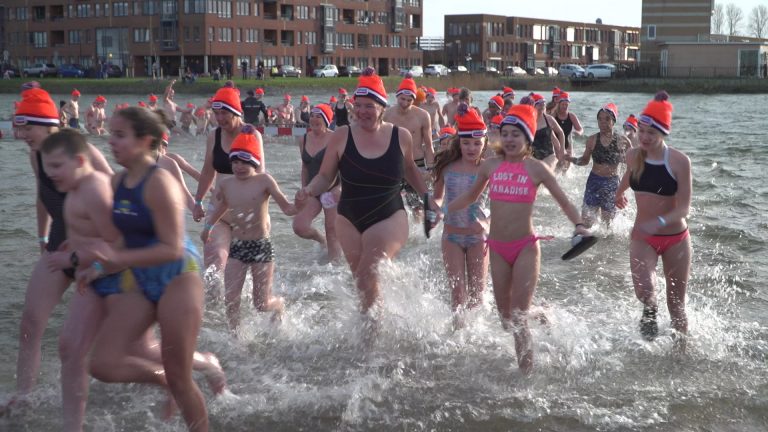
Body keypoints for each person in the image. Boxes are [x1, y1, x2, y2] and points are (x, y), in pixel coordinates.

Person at [41, 129, 225, 429]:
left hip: (119, 274)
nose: (51, 174)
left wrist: (80, 258)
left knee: (131, 353)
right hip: (102, 272)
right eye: (47, 167)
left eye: (57, 167)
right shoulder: (74, 185)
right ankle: (76, 421)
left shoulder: (99, 187)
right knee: (82, 348)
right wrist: (62, 243)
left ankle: (192, 371)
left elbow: (120, 240)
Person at [75, 106, 210, 431]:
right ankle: (162, 381)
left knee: (181, 377)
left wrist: (116, 261)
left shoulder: (160, 182)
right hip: (141, 277)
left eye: (120, 135)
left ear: (145, 140)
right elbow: (125, 238)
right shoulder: (118, 180)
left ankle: (183, 399)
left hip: (178, 277)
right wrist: (96, 267)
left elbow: (171, 248)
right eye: (111, 134)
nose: (112, 142)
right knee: (103, 363)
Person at [447, 104, 590, 374]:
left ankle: (526, 378)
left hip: (525, 247)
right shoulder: (490, 166)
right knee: (505, 320)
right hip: (498, 248)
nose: (510, 139)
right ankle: (542, 312)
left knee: (518, 318)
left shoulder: (537, 170)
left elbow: (564, 202)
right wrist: (442, 208)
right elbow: (471, 197)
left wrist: (580, 225)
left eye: (517, 134)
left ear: (528, 138)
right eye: (506, 133)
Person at [295, 68, 440, 324]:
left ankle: (375, 338)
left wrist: (429, 198)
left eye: (369, 106)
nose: (362, 111)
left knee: (367, 272)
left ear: (382, 107)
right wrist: (308, 190)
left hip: (389, 214)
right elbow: (325, 176)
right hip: (349, 216)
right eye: (358, 105)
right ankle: (373, 331)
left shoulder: (400, 136)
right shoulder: (342, 135)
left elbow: (410, 172)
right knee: (362, 283)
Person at [5, 87, 113, 429]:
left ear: (48, 125)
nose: (20, 135)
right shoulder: (35, 155)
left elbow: (116, 197)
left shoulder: (84, 151)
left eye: (26, 128)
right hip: (58, 246)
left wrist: (104, 256)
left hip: (97, 249)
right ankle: (23, 396)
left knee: (118, 344)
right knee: (29, 323)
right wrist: (41, 237)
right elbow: (42, 196)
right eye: (17, 128)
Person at [615, 91, 691, 347]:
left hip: (676, 239)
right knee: (644, 292)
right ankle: (650, 311)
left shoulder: (679, 162)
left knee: (676, 304)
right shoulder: (633, 155)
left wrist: (658, 222)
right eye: (642, 131)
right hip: (642, 237)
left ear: (663, 133)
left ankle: (681, 354)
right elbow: (631, 174)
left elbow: (683, 209)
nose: (645, 137)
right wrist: (619, 192)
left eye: (652, 133)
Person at [202, 125, 297, 331]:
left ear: (254, 162)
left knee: (261, 304)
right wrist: (208, 226)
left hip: (261, 247)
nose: (239, 166)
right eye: (235, 161)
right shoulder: (227, 184)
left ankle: (279, 306)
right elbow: (221, 207)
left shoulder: (264, 181)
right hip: (238, 247)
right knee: (231, 299)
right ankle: (236, 340)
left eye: (245, 161)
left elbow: (287, 208)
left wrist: (300, 204)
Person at [193, 86, 265, 289]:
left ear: (236, 112)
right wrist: (198, 201)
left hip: (247, 215)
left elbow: (260, 177)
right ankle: (213, 318)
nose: (219, 119)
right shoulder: (214, 136)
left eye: (224, 113)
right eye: (216, 113)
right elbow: (208, 171)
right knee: (213, 268)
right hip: (219, 213)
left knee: (250, 282)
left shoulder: (251, 135)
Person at [432, 104, 489, 328]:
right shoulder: (446, 166)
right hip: (451, 238)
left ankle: (476, 341)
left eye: (477, 143)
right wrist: (436, 209)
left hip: (479, 238)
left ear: (485, 143)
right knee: (458, 297)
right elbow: (438, 197)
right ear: (459, 142)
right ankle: (458, 338)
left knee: (477, 298)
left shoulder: (489, 168)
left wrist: (488, 223)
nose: (471, 148)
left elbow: (501, 204)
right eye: (466, 143)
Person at [569, 103, 632, 228]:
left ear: (613, 121)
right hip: (594, 182)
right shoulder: (592, 140)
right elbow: (584, 161)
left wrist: (622, 190)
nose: (603, 122)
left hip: (612, 184)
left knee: (607, 226)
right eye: (600, 119)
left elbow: (631, 168)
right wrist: (571, 159)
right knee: (586, 222)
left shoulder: (623, 141)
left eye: (607, 119)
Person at [293, 104, 342, 262]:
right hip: (312, 190)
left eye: (318, 116)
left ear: (327, 120)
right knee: (299, 226)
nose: (314, 119)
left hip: (331, 190)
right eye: (312, 115)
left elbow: (347, 168)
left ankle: (335, 266)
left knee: (331, 228)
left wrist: (340, 188)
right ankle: (321, 240)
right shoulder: (303, 139)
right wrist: (303, 190)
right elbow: (305, 168)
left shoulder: (335, 139)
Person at [383, 74, 435, 221]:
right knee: (390, 204)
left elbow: (429, 145)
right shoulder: (387, 115)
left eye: (409, 100)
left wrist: (430, 169)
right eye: (402, 99)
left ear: (414, 99)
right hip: (394, 164)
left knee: (417, 206)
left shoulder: (423, 115)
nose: (405, 103)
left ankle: (419, 238)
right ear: (397, 96)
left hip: (416, 163)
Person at [524, 94, 563, 170]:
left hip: (549, 156)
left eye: (543, 104)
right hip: (533, 158)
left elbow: (560, 133)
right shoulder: (527, 121)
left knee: (545, 172)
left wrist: (561, 151)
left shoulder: (549, 119)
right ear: (533, 106)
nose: (542, 106)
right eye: (539, 104)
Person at [552, 91, 584, 172]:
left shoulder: (571, 116)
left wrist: (578, 133)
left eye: (566, 104)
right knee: (556, 168)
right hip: (555, 145)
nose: (565, 106)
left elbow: (580, 129)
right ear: (559, 104)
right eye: (563, 104)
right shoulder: (553, 116)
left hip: (568, 144)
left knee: (565, 169)